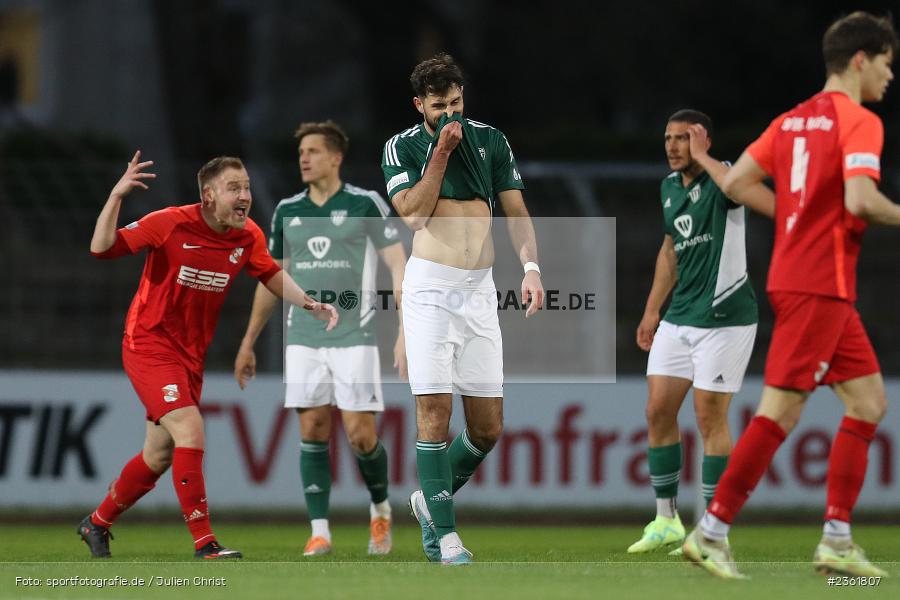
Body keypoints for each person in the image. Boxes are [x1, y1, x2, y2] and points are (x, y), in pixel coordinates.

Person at [683, 11, 898, 579]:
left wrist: (794, 218)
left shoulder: (792, 120)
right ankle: (711, 530)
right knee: (781, 409)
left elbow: (735, 183)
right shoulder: (860, 122)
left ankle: (836, 539)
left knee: (869, 402)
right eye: (886, 63)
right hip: (819, 285)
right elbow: (860, 201)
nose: (889, 76)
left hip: (804, 280)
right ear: (860, 60)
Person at [80, 152, 337, 559]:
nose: (245, 195)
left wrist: (310, 304)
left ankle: (97, 523)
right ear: (208, 195)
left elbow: (268, 272)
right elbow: (101, 248)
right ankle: (205, 543)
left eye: (248, 187)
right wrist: (116, 197)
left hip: (189, 356)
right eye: (234, 188)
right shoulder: (170, 222)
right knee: (191, 429)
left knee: (159, 454)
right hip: (148, 343)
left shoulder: (246, 235)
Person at [381, 53, 544, 565]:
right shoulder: (402, 147)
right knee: (434, 413)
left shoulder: (491, 139)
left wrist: (531, 267)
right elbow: (412, 215)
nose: (448, 113)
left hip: (480, 291)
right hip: (430, 288)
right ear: (419, 105)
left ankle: (428, 501)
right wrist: (441, 154)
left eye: (455, 102)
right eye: (437, 106)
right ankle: (446, 539)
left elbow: (515, 210)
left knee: (487, 428)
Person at [234, 121, 407, 557]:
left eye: (312, 151)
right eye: (300, 153)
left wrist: (405, 330)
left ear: (336, 157)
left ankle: (380, 510)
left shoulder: (366, 204)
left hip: (356, 334)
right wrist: (248, 341)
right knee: (312, 427)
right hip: (304, 335)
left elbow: (399, 267)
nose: (304, 159)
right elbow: (270, 278)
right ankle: (319, 531)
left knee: (359, 435)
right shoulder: (287, 211)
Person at [628, 110, 773, 555]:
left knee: (710, 417)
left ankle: (714, 530)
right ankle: (666, 519)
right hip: (680, 316)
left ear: (702, 139)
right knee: (657, 411)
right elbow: (670, 249)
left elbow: (738, 189)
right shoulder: (669, 188)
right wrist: (652, 310)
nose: (672, 147)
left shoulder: (726, 176)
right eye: (667, 139)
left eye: (682, 139)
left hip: (725, 318)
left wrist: (706, 156)